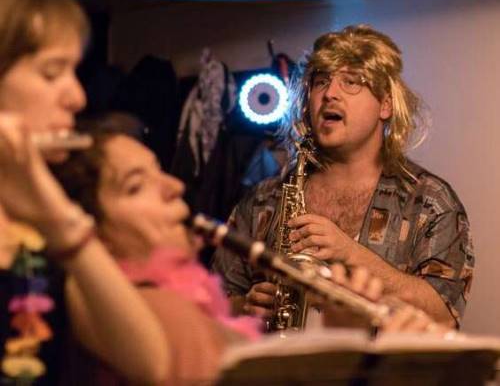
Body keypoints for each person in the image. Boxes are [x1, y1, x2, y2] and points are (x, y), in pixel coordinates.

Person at [53, 114, 446, 384]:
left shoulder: (172, 302)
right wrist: (380, 367)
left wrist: (345, 339)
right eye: (136, 185)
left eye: (159, 172)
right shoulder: (118, 303)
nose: (173, 187)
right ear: (86, 225)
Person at [213, 25, 474, 329]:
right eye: (321, 81)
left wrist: (351, 254)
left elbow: (443, 314)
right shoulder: (263, 199)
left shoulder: (429, 201)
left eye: (351, 82)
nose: (329, 94)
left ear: (385, 105)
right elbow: (210, 306)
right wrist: (245, 307)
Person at [0, 0, 169, 385]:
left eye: (74, 72)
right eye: (51, 73)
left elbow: (150, 364)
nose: (76, 97)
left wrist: (58, 219)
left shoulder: (49, 226)